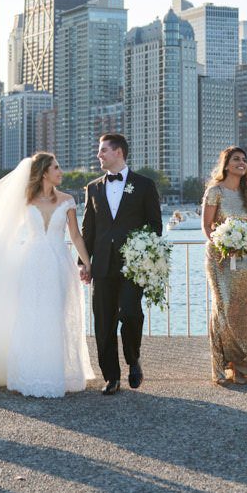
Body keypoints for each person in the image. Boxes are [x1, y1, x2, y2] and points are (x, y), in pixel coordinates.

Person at [0, 153, 96, 397]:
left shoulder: (68, 201)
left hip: (60, 262)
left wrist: (86, 263)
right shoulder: (26, 202)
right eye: (56, 168)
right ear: (44, 172)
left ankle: (55, 372)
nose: (61, 172)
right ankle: (29, 372)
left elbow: (76, 236)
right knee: (30, 314)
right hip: (32, 261)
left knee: (56, 315)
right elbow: (4, 231)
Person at [81, 133, 163, 395]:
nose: (99, 155)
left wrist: (144, 253)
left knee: (130, 313)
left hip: (133, 266)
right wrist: (84, 263)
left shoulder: (144, 185)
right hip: (102, 265)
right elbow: (88, 229)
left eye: (103, 150)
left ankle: (133, 359)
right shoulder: (93, 187)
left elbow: (155, 226)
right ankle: (111, 377)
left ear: (119, 152)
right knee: (103, 323)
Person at [202, 147, 247, 385]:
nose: (242, 162)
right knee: (223, 306)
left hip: (245, 259)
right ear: (226, 164)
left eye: (244, 159)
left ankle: (241, 365)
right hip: (219, 257)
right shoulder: (215, 191)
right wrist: (223, 243)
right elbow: (207, 226)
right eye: (236, 159)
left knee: (239, 311)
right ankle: (219, 366)